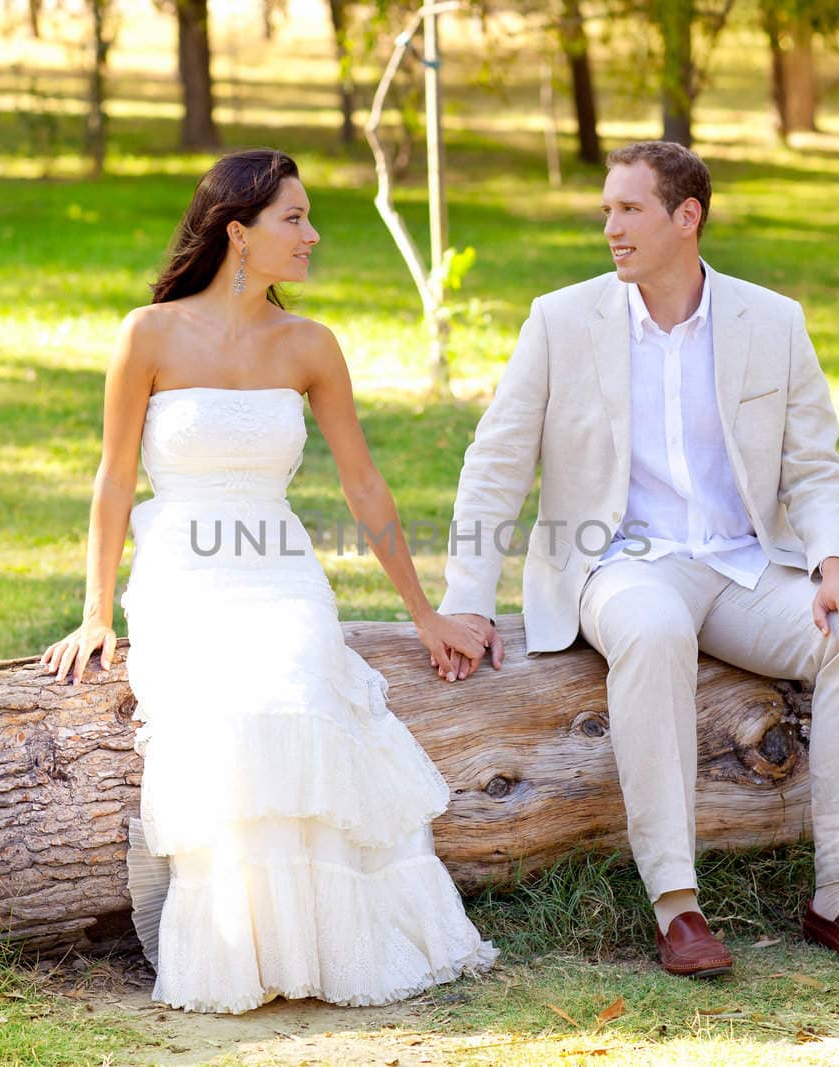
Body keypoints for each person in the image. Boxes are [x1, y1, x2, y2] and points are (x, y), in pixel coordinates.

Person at [39, 148, 496, 1014]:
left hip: (279, 568)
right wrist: (96, 611)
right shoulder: (149, 333)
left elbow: (364, 487)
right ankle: (238, 948)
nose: (313, 234)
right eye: (296, 218)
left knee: (301, 693)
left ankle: (323, 944)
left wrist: (425, 614)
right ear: (238, 233)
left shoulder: (311, 345)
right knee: (224, 713)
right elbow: (113, 477)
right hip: (182, 567)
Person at [436, 141, 839, 977]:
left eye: (629, 210)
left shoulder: (773, 321)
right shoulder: (561, 319)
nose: (609, 227)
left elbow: (813, 465)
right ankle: (676, 903)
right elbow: (495, 463)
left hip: (745, 565)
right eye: (607, 209)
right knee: (653, 630)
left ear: (686, 218)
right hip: (619, 563)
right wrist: (468, 597)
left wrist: (837, 561)